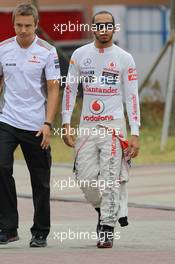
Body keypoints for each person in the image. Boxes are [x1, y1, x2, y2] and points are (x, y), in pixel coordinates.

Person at [62, 11, 140, 248]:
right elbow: (70, 91)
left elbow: (132, 97)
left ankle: (107, 227)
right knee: (85, 179)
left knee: (109, 179)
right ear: (93, 27)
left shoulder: (125, 58)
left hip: (114, 127)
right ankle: (105, 209)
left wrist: (135, 132)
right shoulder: (79, 55)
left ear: (113, 28)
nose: (104, 30)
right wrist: (66, 123)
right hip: (86, 126)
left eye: (108, 26)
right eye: (99, 26)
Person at [0, 3, 60, 247]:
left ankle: (40, 231)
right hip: (7, 121)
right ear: (13, 24)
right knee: (1, 168)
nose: (23, 30)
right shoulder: (3, 48)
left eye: (27, 26)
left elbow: (55, 88)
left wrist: (48, 123)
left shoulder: (47, 51)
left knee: (40, 179)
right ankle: (8, 227)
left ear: (36, 25)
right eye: (18, 25)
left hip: (36, 124)